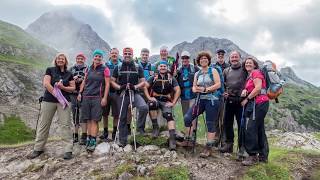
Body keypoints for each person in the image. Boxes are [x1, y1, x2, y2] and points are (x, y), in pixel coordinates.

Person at [28, 53, 75, 160]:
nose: (60, 60)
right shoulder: (50, 70)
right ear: (56, 60)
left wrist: (63, 87)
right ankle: (38, 148)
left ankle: (68, 150)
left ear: (65, 61)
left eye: (62, 59)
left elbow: (73, 88)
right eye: (59, 58)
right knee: (44, 123)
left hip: (64, 102)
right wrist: (56, 94)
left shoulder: (69, 74)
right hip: (49, 100)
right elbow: (46, 83)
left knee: (65, 125)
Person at [182, 51, 221, 157]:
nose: (203, 60)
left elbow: (218, 84)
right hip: (200, 100)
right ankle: (189, 139)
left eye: (205, 58)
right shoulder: (197, 73)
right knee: (188, 118)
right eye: (201, 59)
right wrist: (195, 90)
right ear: (199, 61)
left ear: (208, 60)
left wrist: (206, 89)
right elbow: (194, 87)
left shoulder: (213, 70)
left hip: (212, 100)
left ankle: (208, 148)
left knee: (210, 123)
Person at [110, 47, 148, 147]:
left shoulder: (137, 66)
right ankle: (122, 140)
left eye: (129, 53)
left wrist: (135, 86)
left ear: (132, 54)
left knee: (144, 107)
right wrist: (120, 87)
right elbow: (112, 81)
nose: (127, 55)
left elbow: (143, 82)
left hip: (134, 92)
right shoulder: (118, 67)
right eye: (125, 53)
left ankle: (140, 129)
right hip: (122, 94)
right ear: (123, 54)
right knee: (122, 117)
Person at [143, 61, 181, 149]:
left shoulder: (171, 78)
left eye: (164, 66)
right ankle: (156, 128)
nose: (163, 68)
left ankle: (172, 139)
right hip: (155, 99)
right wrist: (149, 98)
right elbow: (145, 87)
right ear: (158, 68)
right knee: (151, 104)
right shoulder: (153, 77)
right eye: (161, 66)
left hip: (166, 101)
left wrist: (173, 102)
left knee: (168, 115)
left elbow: (178, 90)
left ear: (167, 67)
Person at [78, 49, 110, 152]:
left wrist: (104, 98)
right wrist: (80, 92)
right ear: (93, 57)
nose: (97, 58)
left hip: (97, 97)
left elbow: (108, 84)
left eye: (99, 56)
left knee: (94, 120)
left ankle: (93, 140)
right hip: (86, 96)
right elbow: (84, 81)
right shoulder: (88, 69)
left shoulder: (105, 69)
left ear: (102, 58)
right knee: (88, 119)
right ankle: (89, 138)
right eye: (96, 56)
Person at [240, 57, 269, 166]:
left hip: (259, 103)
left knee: (251, 128)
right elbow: (253, 88)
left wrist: (247, 99)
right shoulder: (250, 76)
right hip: (260, 103)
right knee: (259, 129)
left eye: (250, 63)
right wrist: (245, 91)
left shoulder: (256, 72)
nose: (248, 64)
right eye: (246, 63)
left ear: (254, 65)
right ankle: (263, 156)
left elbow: (258, 88)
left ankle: (252, 156)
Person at [220, 50, 247, 153]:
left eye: (236, 57)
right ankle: (229, 145)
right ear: (230, 59)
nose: (234, 59)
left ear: (239, 58)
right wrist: (224, 92)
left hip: (241, 101)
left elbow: (249, 82)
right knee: (228, 123)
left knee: (241, 124)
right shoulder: (226, 71)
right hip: (229, 101)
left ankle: (242, 147)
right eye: (232, 57)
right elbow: (223, 84)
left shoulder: (244, 70)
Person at [100, 48, 122, 141]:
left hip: (117, 92)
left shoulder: (121, 65)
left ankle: (114, 133)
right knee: (104, 114)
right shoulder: (105, 65)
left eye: (116, 53)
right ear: (110, 54)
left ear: (118, 54)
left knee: (116, 114)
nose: (114, 55)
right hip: (106, 92)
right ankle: (105, 132)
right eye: (112, 53)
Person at [69, 53, 87, 144]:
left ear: (84, 60)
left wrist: (82, 78)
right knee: (75, 114)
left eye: (82, 59)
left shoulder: (87, 69)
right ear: (76, 59)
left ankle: (84, 135)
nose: (80, 60)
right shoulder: (71, 69)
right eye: (78, 58)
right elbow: (66, 79)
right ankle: (75, 135)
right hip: (73, 94)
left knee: (83, 114)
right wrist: (73, 78)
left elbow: (89, 80)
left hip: (84, 94)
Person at [213, 49, 229, 147]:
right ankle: (216, 139)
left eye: (222, 54)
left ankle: (224, 141)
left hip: (225, 96)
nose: (220, 56)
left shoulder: (228, 67)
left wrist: (227, 91)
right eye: (219, 54)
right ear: (217, 55)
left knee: (223, 119)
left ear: (224, 56)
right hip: (215, 96)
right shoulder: (213, 67)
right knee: (215, 118)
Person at [176, 50, 200, 116]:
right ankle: (187, 126)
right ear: (181, 59)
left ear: (189, 59)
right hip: (183, 96)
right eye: (183, 58)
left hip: (193, 95)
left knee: (193, 115)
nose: (185, 59)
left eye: (186, 58)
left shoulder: (195, 68)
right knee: (186, 115)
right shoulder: (178, 70)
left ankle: (194, 126)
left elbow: (200, 78)